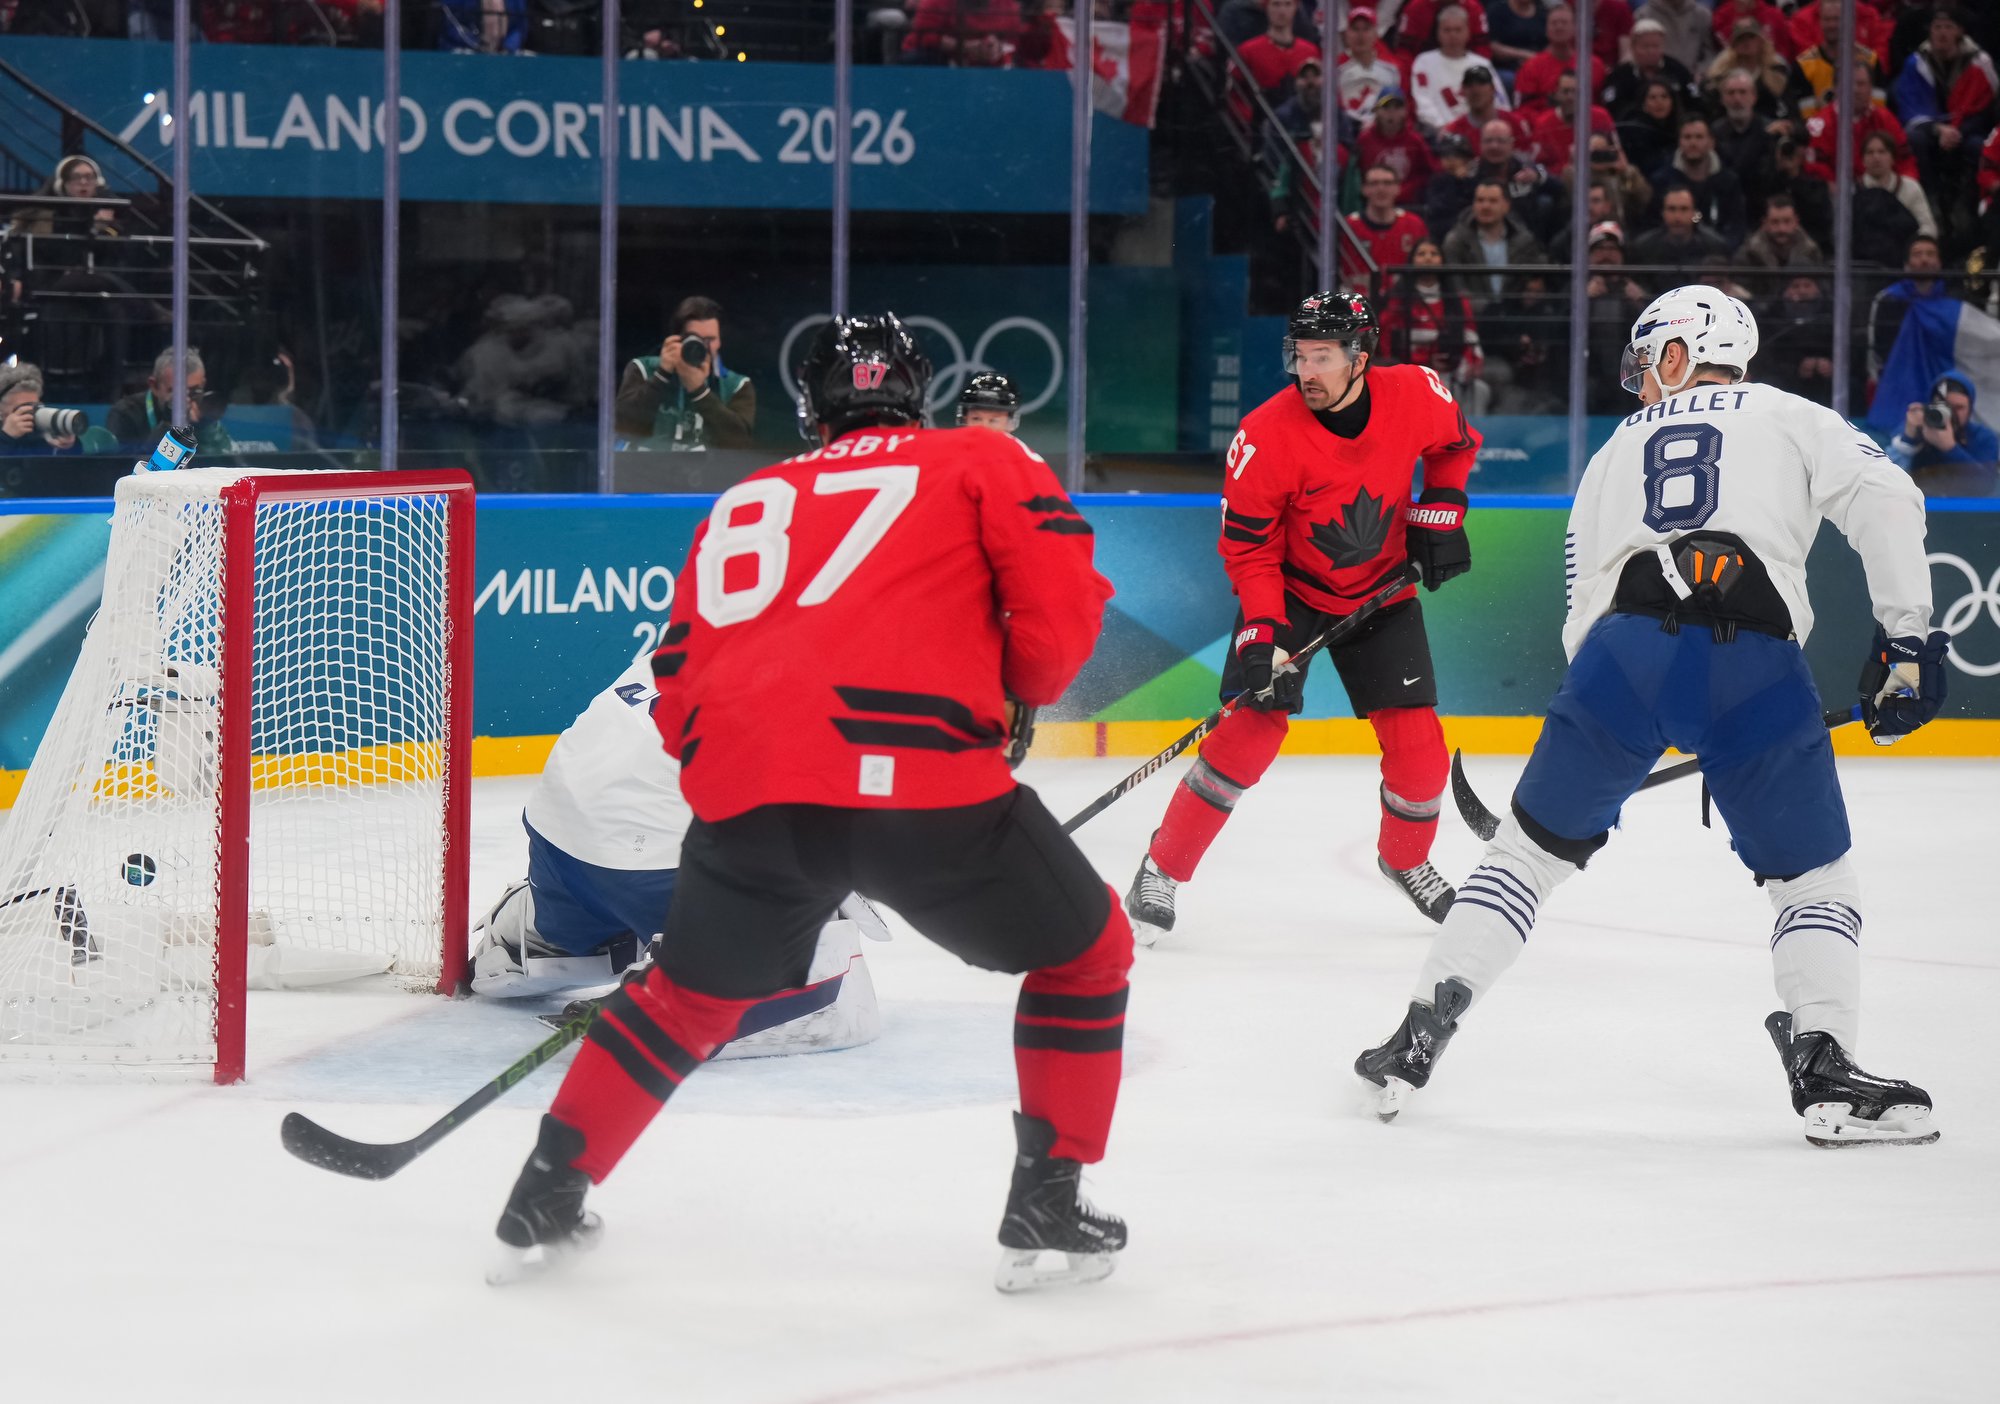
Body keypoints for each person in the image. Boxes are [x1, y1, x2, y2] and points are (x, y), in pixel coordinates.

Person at [489, 313, 1134, 1292]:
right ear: (918, 391)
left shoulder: (746, 500)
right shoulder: (981, 458)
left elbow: (675, 677)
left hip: (750, 801)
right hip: (922, 782)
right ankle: (1047, 1198)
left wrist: (742, 780)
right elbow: (1058, 614)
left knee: (684, 1003)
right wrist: (1017, 693)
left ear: (809, 406)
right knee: (1087, 954)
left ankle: (546, 1193)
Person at [1355, 284, 1948, 1149]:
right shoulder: (1791, 414)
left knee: (1522, 858)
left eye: (1648, 359)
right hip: (1756, 668)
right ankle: (1824, 1064)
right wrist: (1907, 640)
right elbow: (1887, 497)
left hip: (1619, 662)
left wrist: (1621, 720)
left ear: (1680, 352)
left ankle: (1416, 1034)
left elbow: (1581, 605)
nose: (1640, 379)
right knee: (1814, 883)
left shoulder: (1612, 450)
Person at [1123, 292, 1482, 940]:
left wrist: (1442, 511)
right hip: (1290, 592)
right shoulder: (1265, 436)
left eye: (1322, 357)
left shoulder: (1416, 394)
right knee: (1246, 738)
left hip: (1382, 591)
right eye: (1299, 356)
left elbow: (1456, 445)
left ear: (1360, 357)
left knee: (1420, 752)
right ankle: (1161, 868)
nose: (1306, 372)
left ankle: (1406, 859)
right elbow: (1249, 551)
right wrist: (1261, 635)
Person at [469, 657, 886, 1061]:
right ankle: (682, 988)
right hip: (646, 870)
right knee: (821, 939)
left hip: (556, 853)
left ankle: (532, 932)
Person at [1891, 6, 1997, 238]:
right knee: (1914, 139)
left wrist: (1958, 131)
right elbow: (1910, 106)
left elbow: (1985, 108)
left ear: (1959, 31)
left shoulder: (1980, 63)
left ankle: (1966, 204)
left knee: (1978, 147)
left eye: (1948, 27)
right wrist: (1938, 129)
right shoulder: (1916, 63)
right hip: (1932, 130)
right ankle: (1930, 200)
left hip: (1969, 130)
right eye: (1937, 27)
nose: (1942, 33)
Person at [614, 295, 756, 452]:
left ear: (720, 341)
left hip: (705, 468)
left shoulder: (736, 385)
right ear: (675, 339)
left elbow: (739, 444)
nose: (703, 347)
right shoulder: (643, 369)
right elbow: (623, 428)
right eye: (694, 339)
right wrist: (661, 375)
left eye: (710, 340)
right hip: (646, 465)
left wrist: (699, 391)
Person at [1379, 238, 1491, 413]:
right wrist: (1426, 362)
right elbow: (1387, 338)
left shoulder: (1458, 300)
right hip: (1413, 371)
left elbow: (1470, 336)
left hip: (1454, 370)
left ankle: (1467, 431)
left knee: (1480, 390)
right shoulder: (1398, 299)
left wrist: (1467, 366)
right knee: (1440, 388)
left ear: (1443, 261)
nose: (1428, 258)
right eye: (1421, 254)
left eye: (1434, 253)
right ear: (1411, 261)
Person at [1443, 179, 1550, 310]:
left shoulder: (1524, 241)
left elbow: (1536, 279)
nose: (1485, 206)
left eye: (1493, 201)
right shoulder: (1456, 242)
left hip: (1515, 316)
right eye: (1480, 200)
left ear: (1506, 206)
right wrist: (1487, 310)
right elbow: (1456, 288)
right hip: (1473, 316)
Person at [1889, 368, 2000, 494]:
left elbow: (1986, 487)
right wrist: (1909, 440)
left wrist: (1950, 449)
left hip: (1964, 505)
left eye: (1959, 408)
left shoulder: (1983, 438)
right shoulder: (1917, 429)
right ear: (1931, 404)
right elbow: (1889, 478)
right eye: (1945, 405)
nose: (1951, 413)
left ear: (1970, 409)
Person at [107, 347, 235, 455]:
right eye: (176, 392)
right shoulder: (125, 414)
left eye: (194, 391)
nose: (186, 400)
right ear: (154, 385)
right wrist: (169, 424)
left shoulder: (203, 414)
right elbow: (128, 468)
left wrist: (204, 426)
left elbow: (223, 461)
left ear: (203, 384)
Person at [1650, 115, 1748, 246]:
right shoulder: (1662, 181)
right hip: (1671, 251)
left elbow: (1736, 226)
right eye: (1687, 137)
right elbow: (1653, 224)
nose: (1693, 143)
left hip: (1718, 252)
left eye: (1699, 137)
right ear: (1679, 142)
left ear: (1711, 142)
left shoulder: (1728, 182)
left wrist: (1722, 250)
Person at [1868, 234, 1950, 383]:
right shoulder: (1888, 299)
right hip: (1898, 379)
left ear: (1939, 263)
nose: (1924, 260)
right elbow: (1878, 350)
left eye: (1931, 254)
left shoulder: (1952, 301)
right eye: (1917, 254)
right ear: (1906, 264)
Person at [1411, 6, 1497, 133]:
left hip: (1482, 130)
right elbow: (1423, 102)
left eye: (1458, 30)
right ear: (1438, 33)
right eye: (1447, 30)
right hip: (1439, 131)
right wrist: (1444, 127)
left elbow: (1499, 101)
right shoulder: (1424, 62)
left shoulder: (1482, 64)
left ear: (1468, 32)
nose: (1452, 35)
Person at [1345, 164, 1434, 284]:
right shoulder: (1348, 226)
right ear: (1364, 189)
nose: (1381, 189)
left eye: (1387, 183)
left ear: (1398, 188)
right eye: (1374, 183)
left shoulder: (1414, 224)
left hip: (1404, 294)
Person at [1515, 4, 1608, 118]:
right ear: (1546, 29)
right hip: (1544, 126)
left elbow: (1601, 105)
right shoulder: (1531, 67)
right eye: (1554, 23)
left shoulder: (1593, 65)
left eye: (1564, 23)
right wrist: (1550, 120)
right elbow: (1523, 110)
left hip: (1587, 124)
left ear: (1575, 28)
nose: (1559, 27)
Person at [1603, 19, 1701, 122]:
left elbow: (1695, 103)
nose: (1651, 51)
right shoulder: (1619, 76)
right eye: (1645, 47)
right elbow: (1612, 108)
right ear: (1633, 47)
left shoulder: (1678, 71)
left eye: (1656, 46)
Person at [1359, 89, 1440, 207]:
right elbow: (1357, 175)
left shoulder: (1415, 140)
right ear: (1377, 111)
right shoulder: (1365, 140)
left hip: (1408, 204)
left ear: (1405, 112)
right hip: (1372, 202)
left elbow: (1430, 172)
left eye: (1397, 108)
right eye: (1386, 108)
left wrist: (1405, 190)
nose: (1391, 113)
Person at [1630, 185, 1731, 274]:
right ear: (1663, 213)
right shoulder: (1644, 247)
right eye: (1671, 209)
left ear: (1694, 213)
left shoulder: (1715, 247)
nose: (1677, 217)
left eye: (1684, 209)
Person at [1239, 0, 1323, 103]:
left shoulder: (1310, 51)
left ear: (1296, 7)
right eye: (1276, 4)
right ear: (1266, 7)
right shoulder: (1248, 50)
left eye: (1288, 4)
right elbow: (1236, 94)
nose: (1282, 11)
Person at [1336, 7, 1410, 123]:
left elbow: (1402, 109)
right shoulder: (1335, 69)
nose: (1360, 35)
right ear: (1347, 34)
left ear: (1375, 33)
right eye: (1355, 29)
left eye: (1366, 29)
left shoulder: (1393, 69)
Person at [0, 361, 81, 456]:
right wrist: (6, 437)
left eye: (35, 407)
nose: (30, 412)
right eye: (22, 408)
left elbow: (73, 463)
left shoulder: (42, 432)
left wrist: (68, 446)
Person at [956, 370, 1022, 432]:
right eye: (976, 419)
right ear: (965, 419)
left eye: (993, 420)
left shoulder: (1014, 442)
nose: (984, 427)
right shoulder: (951, 440)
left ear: (1009, 421)